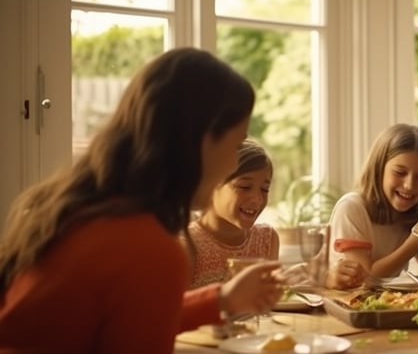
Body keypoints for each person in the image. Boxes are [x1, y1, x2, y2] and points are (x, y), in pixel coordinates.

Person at [0, 48, 258, 353]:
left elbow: (118, 315)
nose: (232, 164)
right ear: (202, 139)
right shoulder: (148, 248)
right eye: (237, 143)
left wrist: (221, 300)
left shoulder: (74, 209)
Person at [326, 124, 418, 289]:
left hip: (378, 307)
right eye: (399, 173)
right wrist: (411, 247)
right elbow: (363, 281)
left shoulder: (411, 216)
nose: (409, 185)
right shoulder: (352, 208)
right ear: (379, 169)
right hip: (344, 304)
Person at [184, 139, 279, 289]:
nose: (257, 199)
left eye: (264, 189)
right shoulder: (187, 245)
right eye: (245, 186)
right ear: (211, 185)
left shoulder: (267, 241)